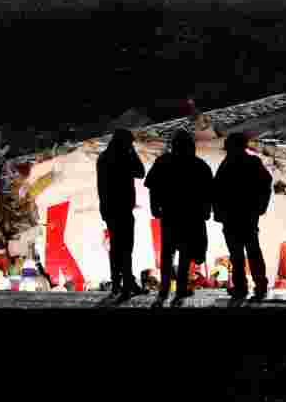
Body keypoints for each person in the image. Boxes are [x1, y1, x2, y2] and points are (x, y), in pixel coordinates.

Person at [144, 129, 213, 305]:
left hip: (170, 215)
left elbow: (152, 187)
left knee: (168, 254)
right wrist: (206, 211)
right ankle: (181, 288)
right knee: (184, 254)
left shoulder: (163, 162)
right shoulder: (199, 165)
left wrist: (154, 207)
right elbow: (208, 193)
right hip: (191, 216)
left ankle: (165, 288)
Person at [213, 132, 272, 300]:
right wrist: (261, 207)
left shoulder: (227, 164)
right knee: (252, 251)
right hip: (247, 215)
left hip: (232, 216)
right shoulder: (253, 162)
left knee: (237, 253)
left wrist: (218, 212)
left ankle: (242, 287)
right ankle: (259, 286)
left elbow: (216, 191)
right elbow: (266, 184)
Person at [96, 128, 147, 300]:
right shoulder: (125, 156)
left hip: (109, 209)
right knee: (125, 247)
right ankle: (127, 285)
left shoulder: (103, 158)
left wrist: (103, 209)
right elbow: (141, 172)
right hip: (123, 209)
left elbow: (101, 186)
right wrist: (132, 152)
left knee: (116, 247)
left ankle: (118, 283)